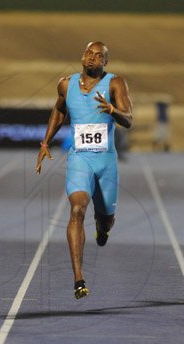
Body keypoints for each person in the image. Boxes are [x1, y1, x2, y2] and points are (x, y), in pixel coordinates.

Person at [35, 41, 133, 299]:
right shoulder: (66, 85)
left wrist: (113, 110)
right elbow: (59, 111)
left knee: (106, 218)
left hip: (106, 162)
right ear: (82, 56)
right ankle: (79, 279)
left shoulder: (115, 83)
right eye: (89, 53)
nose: (92, 58)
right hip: (79, 159)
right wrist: (46, 141)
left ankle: (103, 229)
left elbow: (129, 118)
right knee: (77, 209)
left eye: (99, 56)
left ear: (105, 63)